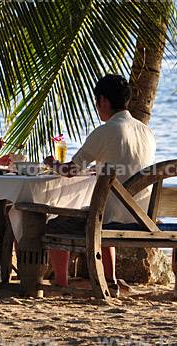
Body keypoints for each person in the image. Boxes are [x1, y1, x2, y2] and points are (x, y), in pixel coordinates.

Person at [44, 74, 156, 292]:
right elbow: (129, 165)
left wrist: (52, 164)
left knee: (53, 226)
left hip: (111, 218)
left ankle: (61, 283)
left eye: (97, 102)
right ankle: (110, 279)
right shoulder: (146, 131)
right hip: (140, 216)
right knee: (105, 210)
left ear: (103, 101)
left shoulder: (106, 131)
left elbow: (71, 171)